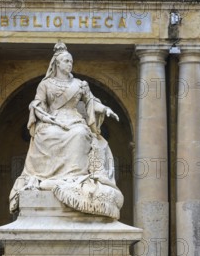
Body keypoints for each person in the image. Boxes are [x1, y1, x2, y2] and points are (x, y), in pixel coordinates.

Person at [9, 42, 124, 219]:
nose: (69, 64)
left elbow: (90, 102)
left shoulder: (80, 84)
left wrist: (105, 109)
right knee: (45, 135)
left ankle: (73, 177)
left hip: (74, 119)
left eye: (70, 61)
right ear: (57, 64)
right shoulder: (45, 84)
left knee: (79, 134)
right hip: (52, 120)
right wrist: (36, 107)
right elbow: (39, 103)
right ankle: (48, 177)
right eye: (66, 61)